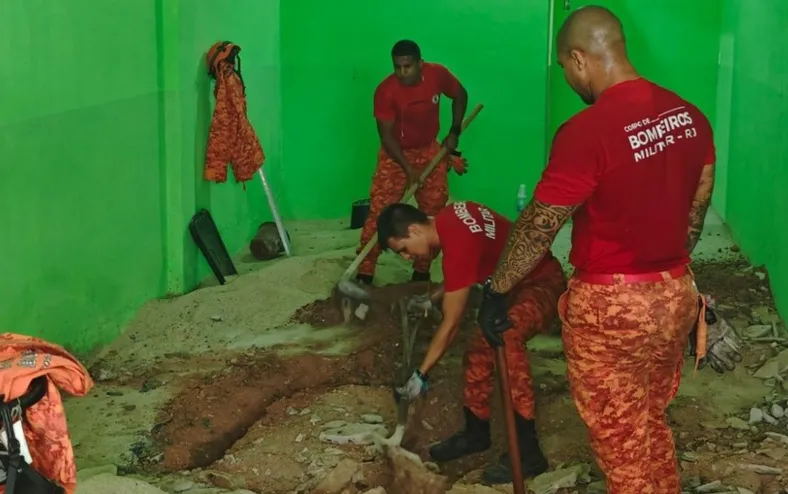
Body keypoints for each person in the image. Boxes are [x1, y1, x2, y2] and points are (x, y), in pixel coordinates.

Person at [476, 6, 725, 494]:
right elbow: (695, 215)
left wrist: (497, 288)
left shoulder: (587, 131)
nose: (569, 79)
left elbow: (538, 226)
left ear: (579, 58)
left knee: (621, 445)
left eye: (566, 70)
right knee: (650, 424)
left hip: (612, 308)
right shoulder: (689, 116)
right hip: (675, 294)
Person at [377, 201, 566, 484]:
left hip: (541, 283)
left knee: (506, 338)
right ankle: (476, 434)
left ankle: (528, 453)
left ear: (415, 230)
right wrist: (431, 299)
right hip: (507, 287)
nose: (406, 258)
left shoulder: (457, 240)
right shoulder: (452, 216)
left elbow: (451, 323)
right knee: (479, 350)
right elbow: (463, 270)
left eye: (403, 249)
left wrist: (421, 375)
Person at [356, 40, 469, 286]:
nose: (402, 72)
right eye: (397, 67)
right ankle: (364, 274)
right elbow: (386, 136)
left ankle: (421, 273)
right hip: (394, 155)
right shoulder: (385, 91)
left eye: (408, 66)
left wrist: (454, 132)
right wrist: (408, 170)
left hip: (430, 150)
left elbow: (460, 95)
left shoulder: (437, 75)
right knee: (380, 213)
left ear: (420, 63)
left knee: (433, 213)